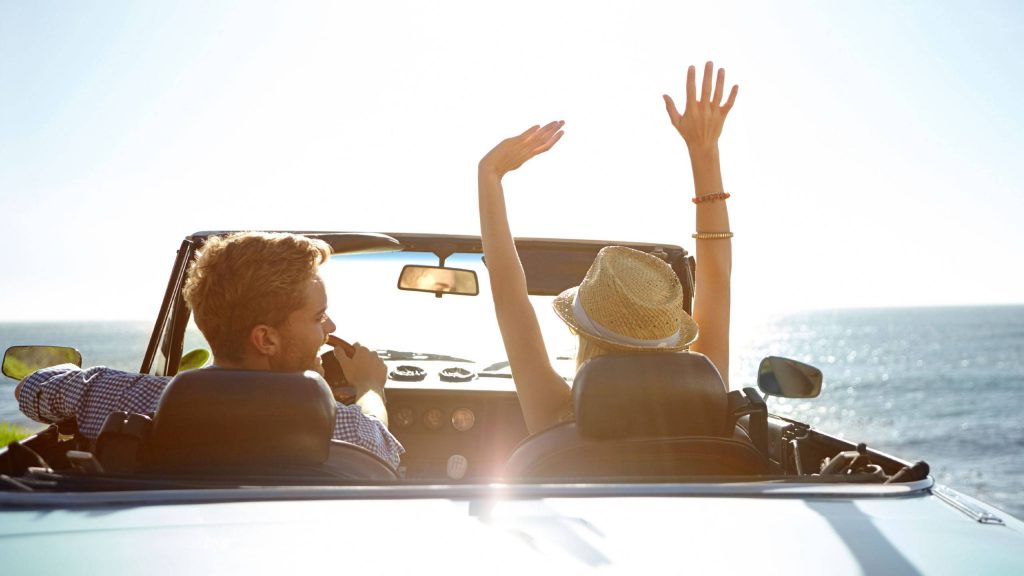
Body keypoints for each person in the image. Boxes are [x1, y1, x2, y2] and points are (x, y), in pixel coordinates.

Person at [478, 62, 737, 435]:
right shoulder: (706, 416)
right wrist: (705, 151)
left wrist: (489, 174)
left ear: (584, 339)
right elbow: (718, 277)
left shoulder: (557, 417)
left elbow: (508, 295)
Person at [14, 232, 403, 468]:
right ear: (266, 340)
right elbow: (383, 447)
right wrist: (370, 386)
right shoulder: (342, 426)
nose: (330, 328)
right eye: (319, 316)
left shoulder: (117, 396)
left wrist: (78, 379)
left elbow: (31, 389)